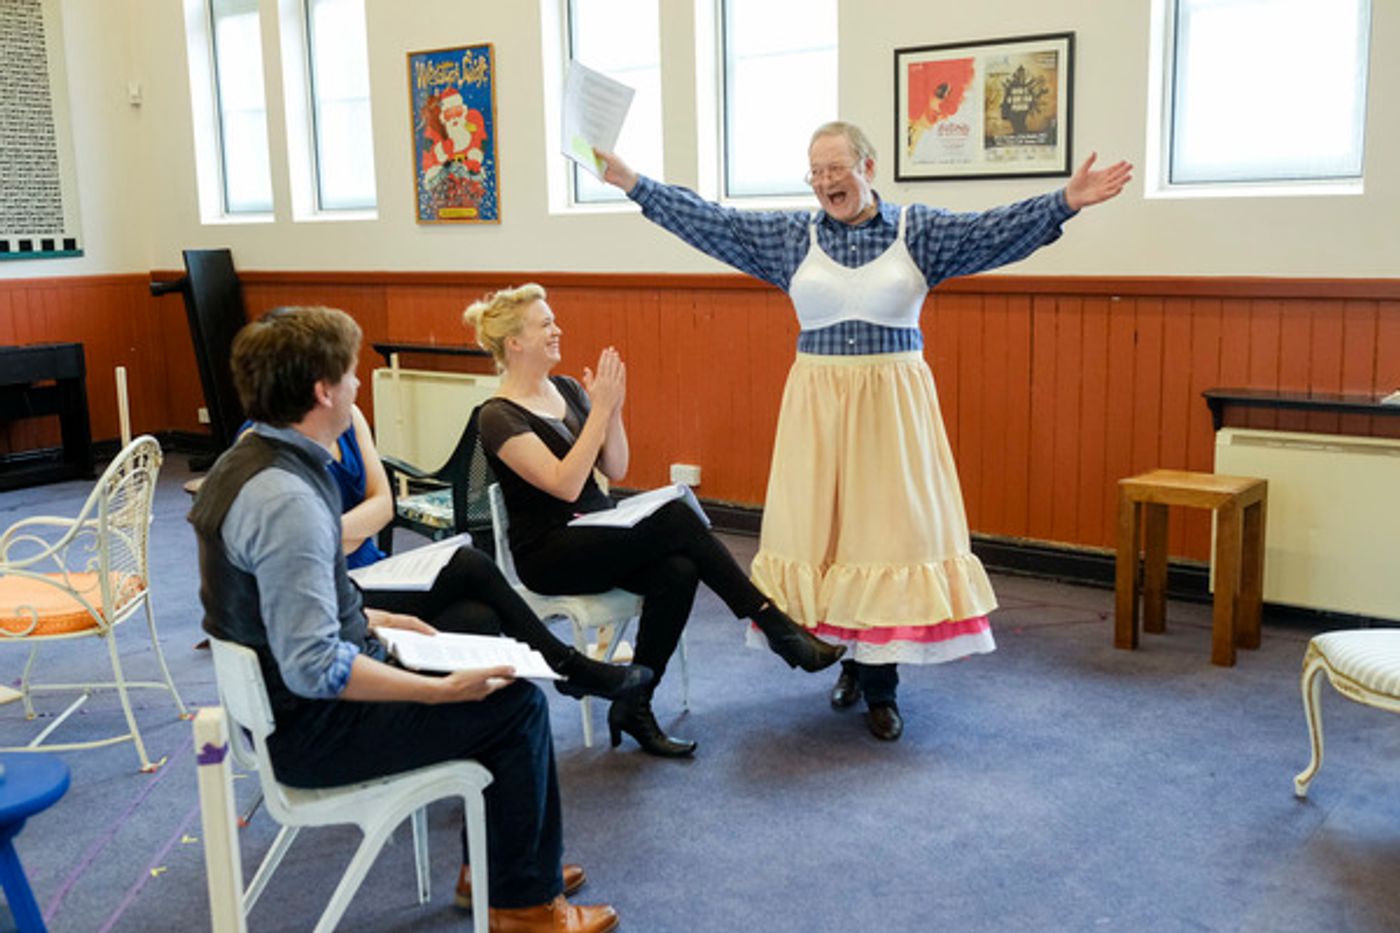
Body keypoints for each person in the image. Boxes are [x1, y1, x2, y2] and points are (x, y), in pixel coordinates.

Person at [596, 122, 1132, 742]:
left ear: (868, 168)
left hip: (891, 416)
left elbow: (992, 232)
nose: (825, 182)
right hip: (818, 415)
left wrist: (1064, 201)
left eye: (836, 168)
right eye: (815, 172)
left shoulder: (918, 232)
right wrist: (634, 183)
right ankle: (847, 661)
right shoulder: (791, 237)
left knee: (885, 540)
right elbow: (711, 222)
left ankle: (881, 686)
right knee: (829, 541)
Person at [190, 305, 618, 933]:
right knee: (515, 706)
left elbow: (282, 601)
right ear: (323, 391)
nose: (359, 383)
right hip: (312, 732)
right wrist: (438, 691)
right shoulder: (287, 501)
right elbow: (316, 669)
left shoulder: (248, 461)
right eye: (351, 373)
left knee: (473, 634)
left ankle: (498, 870)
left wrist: (376, 618)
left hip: (287, 711)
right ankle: (523, 906)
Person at [465, 284, 846, 759]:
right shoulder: (497, 416)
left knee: (678, 569)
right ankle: (774, 623)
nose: (557, 329)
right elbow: (565, 485)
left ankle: (635, 704)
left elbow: (616, 467)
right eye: (545, 324)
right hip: (550, 552)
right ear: (515, 343)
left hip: (598, 534)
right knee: (676, 517)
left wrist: (613, 412)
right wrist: (600, 411)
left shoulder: (565, 390)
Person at [319, 400, 653, 703]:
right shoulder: (292, 458)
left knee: (477, 617)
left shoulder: (352, 415)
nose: (356, 384)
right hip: (335, 591)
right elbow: (315, 541)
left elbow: (384, 508)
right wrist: (347, 529)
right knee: (468, 563)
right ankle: (566, 665)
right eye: (348, 373)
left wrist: (334, 532)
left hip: (375, 572)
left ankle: (452, 725)